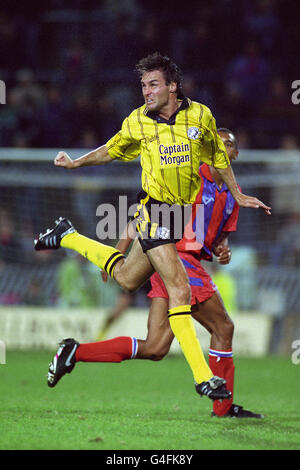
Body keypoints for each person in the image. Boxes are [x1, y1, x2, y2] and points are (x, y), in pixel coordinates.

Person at [34, 53, 271, 400]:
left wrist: (238, 193)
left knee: (128, 279)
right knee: (180, 290)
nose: (146, 91)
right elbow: (111, 149)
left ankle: (67, 235)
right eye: (143, 85)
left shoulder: (201, 116)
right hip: (155, 211)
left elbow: (219, 159)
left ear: (173, 86)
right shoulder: (137, 121)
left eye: (153, 84)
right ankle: (203, 377)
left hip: (175, 217)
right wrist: (75, 163)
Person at [93, 128, 263, 418]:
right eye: (216, 144)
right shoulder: (191, 177)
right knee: (223, 328)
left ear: (234, 153)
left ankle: (74, 352)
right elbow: (142, 214)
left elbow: (220, 240)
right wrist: (117, 252)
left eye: (228, 145)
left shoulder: (234, 197)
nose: (221, 149)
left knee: (156, 347)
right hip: (176, 259)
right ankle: (222, 406)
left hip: (183, 263)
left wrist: (224, 251)